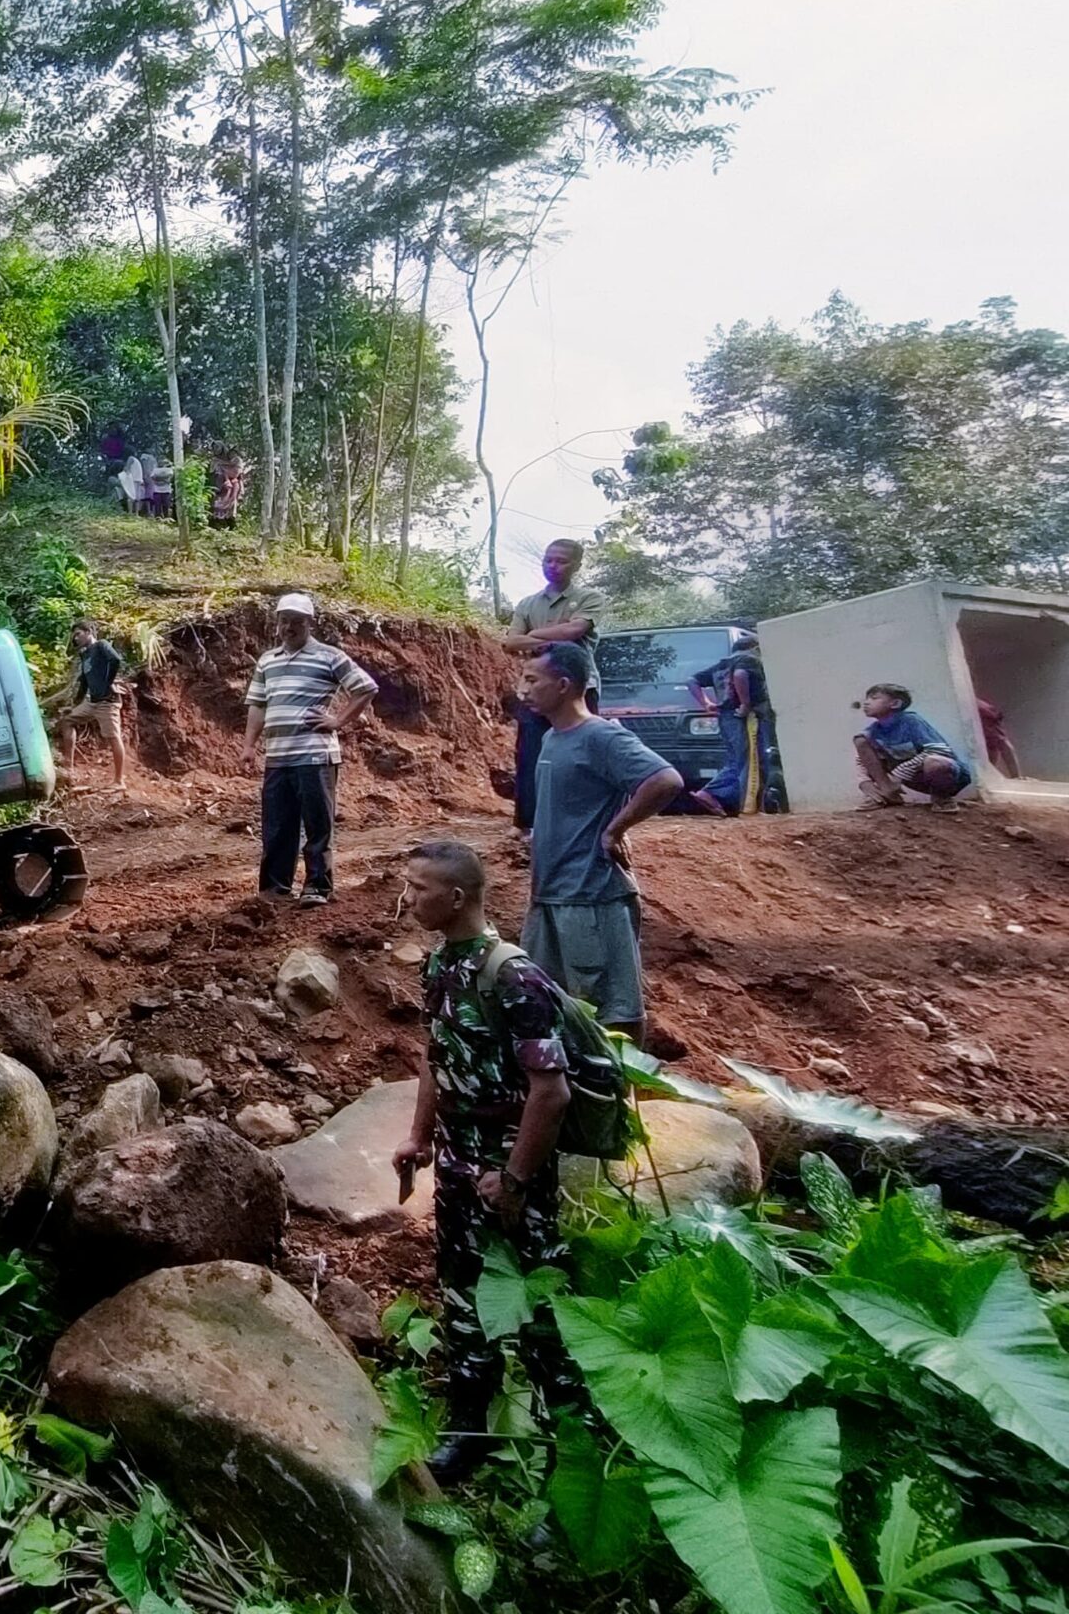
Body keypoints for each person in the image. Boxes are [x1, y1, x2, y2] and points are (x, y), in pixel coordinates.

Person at [390, 838, 591, 1485]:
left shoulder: (514, 976)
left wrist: (514, 1179)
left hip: (508, 1166)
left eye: (418, 888)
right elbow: (435, 1055)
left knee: (539, 1312)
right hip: (457, 1158)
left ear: (456, 897)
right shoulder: (441, 965)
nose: (407, 897)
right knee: (462, 1296)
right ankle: (469, 1435)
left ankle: (572, 1460)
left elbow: (551, 1091)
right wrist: (419, 1137)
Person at [520, 641, 685, 1049]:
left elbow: (665, 780)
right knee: (548, 1002)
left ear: (563, 685)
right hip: (551, 896)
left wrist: (615, 830)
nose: (522, 688)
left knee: (615, 1007)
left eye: (531, 679)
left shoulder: (601, 736)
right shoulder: (552, 738)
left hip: (592, 894)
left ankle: (624, 1094)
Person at [243, 593, 378, 905]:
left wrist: (338, 720)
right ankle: (275, 890)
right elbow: (258, 705)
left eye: (297, 621)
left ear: (309, 623)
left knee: (318, 825)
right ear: (277, 623)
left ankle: (317, 887)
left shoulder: (329, 656)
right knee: (277, 826)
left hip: (315, 756)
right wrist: (249, 745)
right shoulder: (268, 660)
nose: (289, 627)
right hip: (277, 757)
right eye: (284, 620)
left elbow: (366, 687)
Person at [499, 540, 606, 832]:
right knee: (530, 751)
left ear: (577, 565)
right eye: (548, 560)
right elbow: (510, 642)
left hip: (579, 687)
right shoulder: (527, 603)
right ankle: (527, 822)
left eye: (561, 561)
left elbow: (576, 630)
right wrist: (554, 636)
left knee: (581, 752)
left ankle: (583, 819)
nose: (553, 566)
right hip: (536, 688)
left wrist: (532, 634)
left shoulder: (590, 597)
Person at [686, 631, 770, 815]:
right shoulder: (748, 659)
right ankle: (749, 808)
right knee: (752, 760)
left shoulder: (722, 664)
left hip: (725, 716)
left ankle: (711, 793)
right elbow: (740, 675)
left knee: (736, 760)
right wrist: (746, 704)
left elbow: (692, 681)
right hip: (744, 717)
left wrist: (706, 703)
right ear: (754, 648)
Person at [855, 685, 973, 806]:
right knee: (860, 741)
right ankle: (887, 794)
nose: (866, 703)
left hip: (948, 776)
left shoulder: (911, 721)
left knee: (935, 762)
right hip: (913, 779)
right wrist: (864, 781)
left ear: (895, 703)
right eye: (867, 699)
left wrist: (898, 774)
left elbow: (939, 750)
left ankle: (942, 798)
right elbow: (864, 759)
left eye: (874, 698)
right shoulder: (873, 731)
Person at [46, 620, 130, 789]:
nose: (76, 638)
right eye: (74, 636)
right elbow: (84, 681)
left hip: (108, 701)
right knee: (68, 721)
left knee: (113, 737)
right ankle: (68, 768)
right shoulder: (85, 655)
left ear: (89, 632)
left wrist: (108, 682)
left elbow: (115, 660)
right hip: (92, 702)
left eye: (78, 634)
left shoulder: (101, 646)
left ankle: (119, 781)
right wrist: (75, 704)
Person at [208, 446, 248, 529]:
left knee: (231, 504)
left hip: (232, 486)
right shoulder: (217, 461)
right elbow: (214, 473)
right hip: (221, 488)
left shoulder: (236, 460)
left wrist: (223, 468)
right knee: (218, 504)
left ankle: (229, 522)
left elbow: (236, 472)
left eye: (233, 453)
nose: (231, 455)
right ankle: (217, 522)